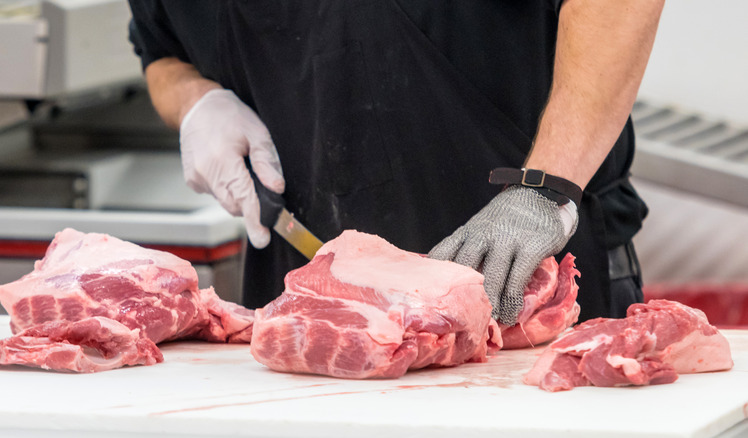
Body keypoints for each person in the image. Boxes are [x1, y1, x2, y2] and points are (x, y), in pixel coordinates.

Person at [127, 0, 664, 325]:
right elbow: (161, 52)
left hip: (526, 291)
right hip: (316, 316)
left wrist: (545, 188)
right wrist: (195, 102)